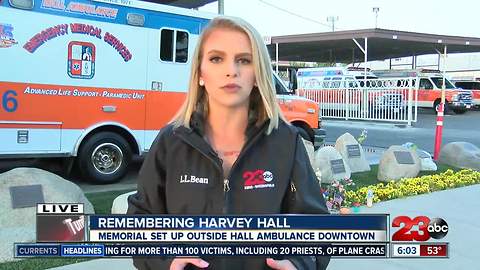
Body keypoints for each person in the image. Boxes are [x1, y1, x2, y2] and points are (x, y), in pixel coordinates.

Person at [127, 16, 330, 270]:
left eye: (244, 60)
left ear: (257, 74)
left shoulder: (286, 143)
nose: (231, 70)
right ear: (200, 73)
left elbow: (316, 226)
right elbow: (139, 221)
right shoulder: (171, 142)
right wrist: (166, 261)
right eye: (216, 59)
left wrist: (298, 263)